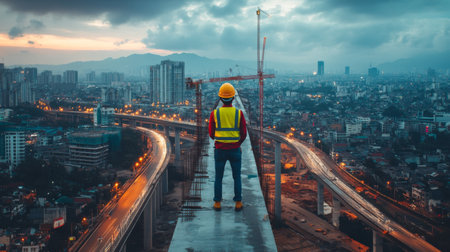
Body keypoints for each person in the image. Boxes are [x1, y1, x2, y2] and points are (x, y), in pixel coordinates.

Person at [208, 83, 247, 211]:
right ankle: (238, 203)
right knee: (237, 177)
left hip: (219, 150)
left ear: (220, 98)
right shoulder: (239, 114)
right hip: (235, 150)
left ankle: (217, 203)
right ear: (233, 98)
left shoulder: (215, 114)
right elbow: (244, 133)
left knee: (218, 177)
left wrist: (220, 140)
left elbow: (211, 133)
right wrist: (236, 143)